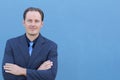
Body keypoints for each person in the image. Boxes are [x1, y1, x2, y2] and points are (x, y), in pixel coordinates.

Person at [2, 7, 58, 80]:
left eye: (36, 21)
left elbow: (50, 76)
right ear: (24, 22)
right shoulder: (11, 44)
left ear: (42, 24)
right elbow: (7, 76)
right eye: (29, 21)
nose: (33, 24)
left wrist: (22, 71)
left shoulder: (51, 46)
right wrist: (38, 72)